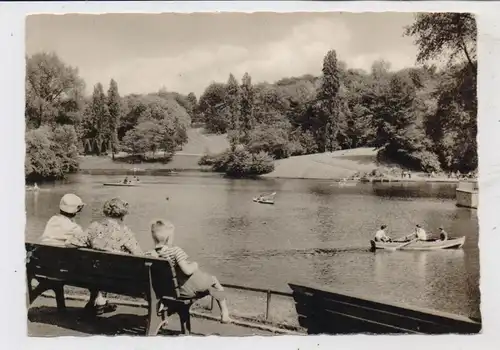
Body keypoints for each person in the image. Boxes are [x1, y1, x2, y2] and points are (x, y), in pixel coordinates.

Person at [41, 194, 117, 315]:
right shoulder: (74, 228)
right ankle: (98, 300)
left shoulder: (52, 221)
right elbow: (88, 244)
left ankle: (98, 300)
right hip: (67, 271)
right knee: (96, 264)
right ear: (77, 210)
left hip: (46, 267)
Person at [146, 219, 232, 324]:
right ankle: (224, 313)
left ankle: (163, 311)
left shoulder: (149, 255)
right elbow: (187, 271)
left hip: (165, 291)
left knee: (198, 281)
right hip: (183, 292)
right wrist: (195, 265)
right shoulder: (175, 251)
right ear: (169, 237)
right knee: (214, 281)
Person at [68, 197, 143, 315]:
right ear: (123, 215)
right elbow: (139, 256)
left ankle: (96, 300)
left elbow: (73, 243)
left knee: (96, 264)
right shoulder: (125, 231)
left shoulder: (93, 227)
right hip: (116, 277)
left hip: (92, 274)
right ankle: (99, 300)